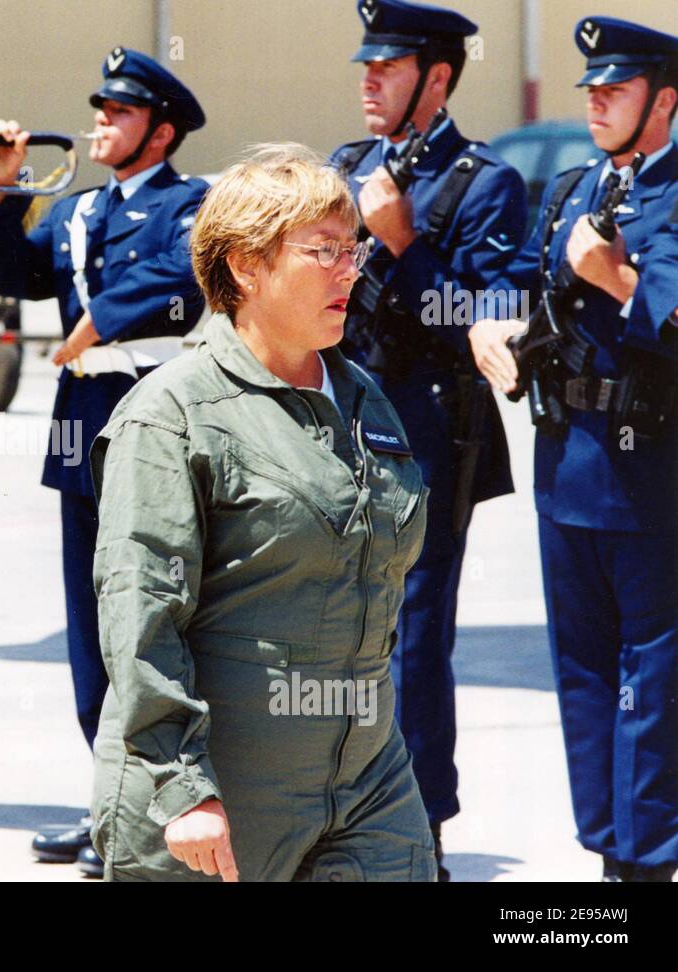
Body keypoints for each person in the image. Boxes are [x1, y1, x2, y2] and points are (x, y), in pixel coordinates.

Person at [89, 144, 433, 882]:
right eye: (324, 251)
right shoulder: (172, 416)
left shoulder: (365, 400)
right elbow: (141, 615)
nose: (352, 269)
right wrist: (183, 788)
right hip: (221, 796)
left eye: (355, 249)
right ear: (246, 266)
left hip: (368, 784)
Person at [0, 47, 208, 876]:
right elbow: (1, 273)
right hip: (81, 427)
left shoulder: (192, 204)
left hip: (155, 419)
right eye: (99, 108)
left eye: (120, 112)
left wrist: (99, 317)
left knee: (154, 621)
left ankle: (163, 809)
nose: (100, 122)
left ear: (162, 130)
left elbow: (185, 282)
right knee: (91, 631)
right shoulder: (76, 210)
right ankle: (110, 805)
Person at [469, 16, 678, 883]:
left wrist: (615, 277)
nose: (594, 100)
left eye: (616, 89)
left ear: (665, 101)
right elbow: (511, 282)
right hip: (568, 467)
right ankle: (605, 855)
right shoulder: (568, 190)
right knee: (585, 680)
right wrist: (489, 332)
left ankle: (648, 867)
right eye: (589, 87)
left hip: (653, 474)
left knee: (654, 685)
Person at [329, 0, 527, 879]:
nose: (367, 80)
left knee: (411, 636)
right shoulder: (347, 165)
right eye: (365, 66)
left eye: (389, 67)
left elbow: (482, 328)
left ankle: (418, 831)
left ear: (436, 79)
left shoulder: (487, 182)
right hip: (336, 431)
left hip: (428, 438)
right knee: (327, 631)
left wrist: (401, 241)